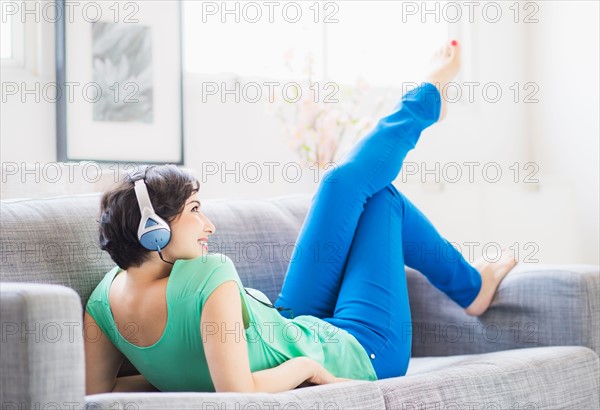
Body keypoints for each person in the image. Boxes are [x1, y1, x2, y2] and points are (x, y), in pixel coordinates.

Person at [83, 39, 517, 395]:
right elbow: (240, 394)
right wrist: (307, 365)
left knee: (339, 183)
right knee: (384, 201)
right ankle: (429, 99)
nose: (208, 226)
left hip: (289, 324)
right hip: (364, 351)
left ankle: (427, 101)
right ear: (154, 231)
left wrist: (171, 379)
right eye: (195, 211)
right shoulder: (207, 275)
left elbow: (100, 393)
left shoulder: (102, 303)